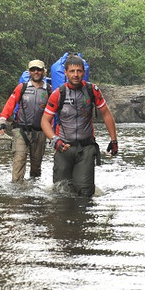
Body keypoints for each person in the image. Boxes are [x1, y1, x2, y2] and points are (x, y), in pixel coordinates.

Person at [40, 54, 118, 197]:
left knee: (85, 193)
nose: (75, 75)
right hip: (63, 147)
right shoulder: (58, 94)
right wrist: (54, 139)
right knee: (61, 192)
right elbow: (45, 120)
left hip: (86, 149)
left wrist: (113, 140)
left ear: (83, 72)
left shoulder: (92, 90)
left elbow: (106, 114)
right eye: (72, 71)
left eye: (79, 71)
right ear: (66, 73)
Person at [0, 59, 52, 182]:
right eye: (33, 69)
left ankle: (34, 191)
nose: (36, 72)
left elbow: (53, 113)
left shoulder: (49, 90)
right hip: (21, 130)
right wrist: (2, 122)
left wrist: (55, 133)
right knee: (19, 159)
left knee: (36, 167)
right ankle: (17, 192)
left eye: (39, 69)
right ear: (29, 72)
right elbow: (10, 105)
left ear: (44, 72)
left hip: (40, 132)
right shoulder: (22, 87)